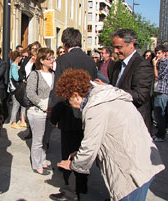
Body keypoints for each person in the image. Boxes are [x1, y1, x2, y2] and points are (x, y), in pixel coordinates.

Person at [56, 69, 165, 201]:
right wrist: (79, 152)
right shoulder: (108, 94)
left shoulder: (95, 108)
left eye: (69, 101)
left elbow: (90, 146)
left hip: (130, 172)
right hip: (142, 162)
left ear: (76, 95)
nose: (71, 105)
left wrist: (74, 165)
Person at [49, 27, 97, 201]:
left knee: (67, 152)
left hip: (69, 114)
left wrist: (53, 116)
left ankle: (69, 189)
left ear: (65, 43)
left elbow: (59, 91)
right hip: (86, 114)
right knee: (82, 151)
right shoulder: (90, 61)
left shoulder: (63, 59)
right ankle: (82, 186)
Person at [109, 29, 154, 132]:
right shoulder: (116, 65)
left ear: (131, 44)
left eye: (119, 47)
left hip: (134, 125)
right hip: (118, 122)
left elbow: (140, 96)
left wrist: (110, 91)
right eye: (114, 47)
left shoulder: (142, 65)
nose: (115, 51)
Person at [26, 48, 55, 175]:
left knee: (45, 139)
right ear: (42, 60)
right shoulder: (35, 74)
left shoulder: (54, 74)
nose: (52, 60)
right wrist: (43, 105)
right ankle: (37, 164)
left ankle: (43, 161)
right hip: (37, 112)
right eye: (49, 58)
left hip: (50, 112)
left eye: (53, 57)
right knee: (38, 140)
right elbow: (30, 93)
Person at [152, 45, 168, 142]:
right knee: (157, 114)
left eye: (159, 53)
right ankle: (159, 133)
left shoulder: (165, 63)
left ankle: (161, 135)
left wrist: (154, 65)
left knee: (160, 114)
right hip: (156, 90)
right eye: (156, 53)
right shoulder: (158, 62)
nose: (157, 55)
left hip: (162, 91)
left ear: (164, 53)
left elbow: (158, 77)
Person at [8, 50, 27, 129]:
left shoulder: (14, 66)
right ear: (17, 58)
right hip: (15, 89)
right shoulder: (14, 66)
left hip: (17, 89)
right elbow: (16, 77)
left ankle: (22, 121)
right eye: (20, 57)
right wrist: (22, 79)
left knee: (22, 104)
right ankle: (13, 122)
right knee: (16, 105)